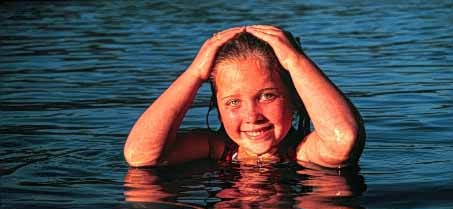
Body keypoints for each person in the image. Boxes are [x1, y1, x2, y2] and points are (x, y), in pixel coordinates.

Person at [124, 25, 365, 168]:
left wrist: (295, 61)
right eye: (233, 102)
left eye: (267, 96)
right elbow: (141, 156)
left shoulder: (303, 152)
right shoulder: (217, 148)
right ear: (217, 107)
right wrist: (195, 73)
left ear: (295, 98)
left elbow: (343, 140)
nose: (251, 116)